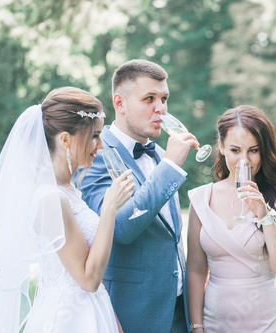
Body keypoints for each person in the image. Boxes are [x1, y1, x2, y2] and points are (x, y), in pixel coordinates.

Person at [0, 86, 133, 332]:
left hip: (94, 311)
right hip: (68, 319)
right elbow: (88, 279)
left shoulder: (69, 191)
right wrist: (110, 210)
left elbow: (94, 273)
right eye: (94, 136)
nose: (100, 146)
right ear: (65, 139)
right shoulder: (51, 198)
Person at [77, 59, 198, 333]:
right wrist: (170, 167)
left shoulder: (159, 152)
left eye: (165, 98)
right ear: (119, 103)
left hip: (179, 312)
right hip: (134, 315)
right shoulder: (96, 154)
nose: (162, 108)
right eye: (149, 99)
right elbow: (120, 227)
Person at [187, 105, 276, 332]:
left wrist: (263, 212)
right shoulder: (201, 199)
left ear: (264, 150)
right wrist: (197, 324)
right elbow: (196, 269)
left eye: (253, 150)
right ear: (221, 148)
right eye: (235, 150)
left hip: (265, 321)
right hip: (214, 322)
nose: (244, 161)